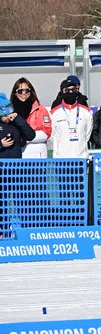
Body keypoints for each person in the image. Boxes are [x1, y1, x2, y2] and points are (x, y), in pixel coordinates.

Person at [0, 93, 36, 237]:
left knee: (21, 200)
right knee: (2, 203)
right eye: (5, 115)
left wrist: (19, 120)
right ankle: (2, 231)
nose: (8, 117)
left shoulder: (16, 123)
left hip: (16, 170)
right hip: (1, 170)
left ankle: (25, 231)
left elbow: (31, 135)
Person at [49, 79, 93, 158]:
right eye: (67, 90)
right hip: (62, 160)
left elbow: (87, 134)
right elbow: (53, 136)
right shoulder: (54, 113)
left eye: (73, 89)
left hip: (81, 159)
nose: (71, 92)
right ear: (62, 91)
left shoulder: (86, 112)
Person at [10, 77, 52, 158]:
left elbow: (46, 133)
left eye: (27, 90)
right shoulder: (10, 111)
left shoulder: (40, 109)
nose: (24, 93)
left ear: (31, 91)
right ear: (15, 93)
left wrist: (25, 137)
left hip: (37, 156)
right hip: (16, 155)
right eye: (20, 91)